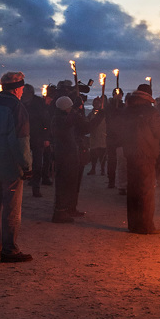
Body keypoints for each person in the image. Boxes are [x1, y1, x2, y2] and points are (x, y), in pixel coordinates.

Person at [0, 71, 32, 262]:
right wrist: (26, 166)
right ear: (17, 88)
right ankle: (9, 250)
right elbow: (21, 141)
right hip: (10, 167)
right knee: (11, 210)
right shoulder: (17, 108)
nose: (23, 90)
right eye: (22, 87)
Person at [122, 87, 160, 234]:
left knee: (133, 190)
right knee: (146, 191)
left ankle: (133, 225)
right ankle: (146, 226)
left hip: (130, 154)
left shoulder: (127, 110)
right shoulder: (151, 111)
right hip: (146, 155)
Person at [50, 95, 89, 223]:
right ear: (66, 108)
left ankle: (68, 208)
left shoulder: (60, 118)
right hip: (65, 156)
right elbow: (85, 127)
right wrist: (99, 116)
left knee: (71, 183)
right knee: (64, 184)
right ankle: (60, 212)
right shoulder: (61, 120)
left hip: (68, 154)